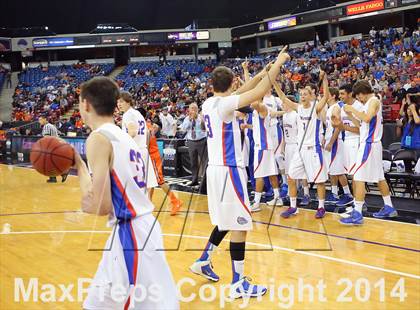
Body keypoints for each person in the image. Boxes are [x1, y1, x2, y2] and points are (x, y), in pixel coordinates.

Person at [189, 47, 290, 299]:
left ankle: (204, 259)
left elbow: (246, 90)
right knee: (240, 225)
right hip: (228, 171)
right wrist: (278, 63)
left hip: (215, 171)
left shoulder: (209, 103)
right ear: (232, 82)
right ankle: (238, 283)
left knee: (226, 221)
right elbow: (256, 92)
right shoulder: (224, 105)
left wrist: (263, 71)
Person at [74, 77, 179, 309]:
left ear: (86, 104)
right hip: (135, 230)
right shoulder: (124, 137)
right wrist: (80, 166)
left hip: (130, 234)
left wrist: (82, 199)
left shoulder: (98, 138)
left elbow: (100, 206)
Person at [340, 80, 398, 225]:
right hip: (372, 144)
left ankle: (357, 213)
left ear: (362, 93)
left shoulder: (373, 100)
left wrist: (352, 109)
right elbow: (362, 124)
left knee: (358, 177)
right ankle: (389, 206)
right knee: (379, 177)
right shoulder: (369, 103)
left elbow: (367, 117)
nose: (358, 99)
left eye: (358, 96)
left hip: (369, 144)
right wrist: (351, 114)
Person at [278, 71, 330, 219]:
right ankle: (293, 207)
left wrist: (324, 80)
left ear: (311, 95)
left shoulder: (316, 107)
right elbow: (282, 97)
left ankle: (321, 207)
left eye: (305, 94)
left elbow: (325, 97)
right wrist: (273, 82)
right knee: (291, 177)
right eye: (301, 94)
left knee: (319, 181)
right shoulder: (298, 107)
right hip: (300, 150)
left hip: (313, 149)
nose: (302, 96)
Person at [117, 92, 159, 198]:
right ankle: (148, 205)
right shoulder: (138, 114)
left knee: (133, 186)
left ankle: (137, 209)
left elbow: (132, 132)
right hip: (143, 150)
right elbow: (148, 133)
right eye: (117, 102)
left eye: (121, 101)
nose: (119, 104)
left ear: (128, 102)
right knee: (148, 182)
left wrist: (120, 142)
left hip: (134, 153)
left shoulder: (128, 114)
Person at [145, 112, 183, 216]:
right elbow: (157, 127)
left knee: (160, 181)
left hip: (152, 155)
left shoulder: (145, 127)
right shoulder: (147, 126)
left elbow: (146, 144)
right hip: (152, 154)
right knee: (150, 180)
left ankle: (175, 201)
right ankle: (149, 202)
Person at [250, 99, 283, 212]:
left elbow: (253, 102)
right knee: (271, 173)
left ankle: (256, 202)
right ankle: (277, 197)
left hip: (262, 147)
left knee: (259, 174)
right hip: (266, 146)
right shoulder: (257, 110)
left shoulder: (262, 108)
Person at [336, 84, 365, 211]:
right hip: (347, 140)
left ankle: (359, 204)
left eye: (342, 94)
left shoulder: (358, 106)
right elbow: (343, 126)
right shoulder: (343, 108)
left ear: (350, 94)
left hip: (356, 141)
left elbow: (361, 129)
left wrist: (344, 127)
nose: (340, 96)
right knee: (351, 174)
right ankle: (356, 201)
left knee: (356, 175)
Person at [323, 87, 354, 206]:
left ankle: (347, 194)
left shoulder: (336, 108)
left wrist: (331, 142)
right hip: (329, 139)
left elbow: (337, 127)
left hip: (335, 141)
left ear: (333, 96)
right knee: (332, 170)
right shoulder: (330, 108)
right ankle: (334, 193)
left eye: (327, 94)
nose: (324, 96)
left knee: (339, 170)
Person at [180, 103, 208, 187]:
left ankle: (204, 181)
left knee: (204, 161)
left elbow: (204, 128)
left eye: (194, 108)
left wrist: (196, 119)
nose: (192, 110)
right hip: (191, 141)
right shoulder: (186, 119)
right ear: (188, 109)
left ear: (197, 109)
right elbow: (184, 129)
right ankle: (194, 179)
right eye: (191, 108)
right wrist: (190, 119)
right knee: (193, 162)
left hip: (201, 141)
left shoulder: (201, 117)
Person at [38, 115, 68, 183]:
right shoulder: (52, 126)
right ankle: (56, 176)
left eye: (40, 120)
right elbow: (59, 134)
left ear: (44, 119)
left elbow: (47, 137)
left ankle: (60, 174)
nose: (39, 121)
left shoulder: (46, 126)